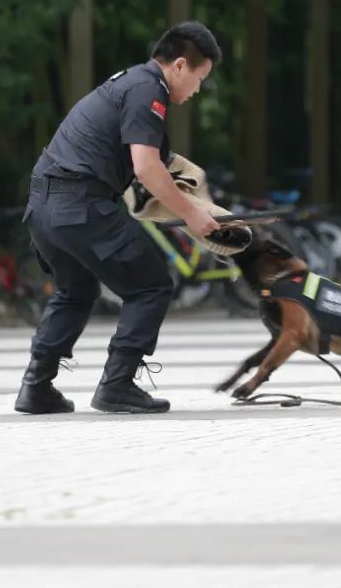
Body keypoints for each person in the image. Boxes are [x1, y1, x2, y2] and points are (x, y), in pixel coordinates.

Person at [15, 21, 223, 415]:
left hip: (44, 207)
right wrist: (193, 216)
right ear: (180, 66)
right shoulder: (149, 91)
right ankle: (118, 383)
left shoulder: (129, 83)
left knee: (74, 292)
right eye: (200, 78)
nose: (197, 90)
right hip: (81, 204)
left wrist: (196, 199)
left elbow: (153, 164)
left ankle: (36, 387)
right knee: (152, 285)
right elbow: (145, 168)